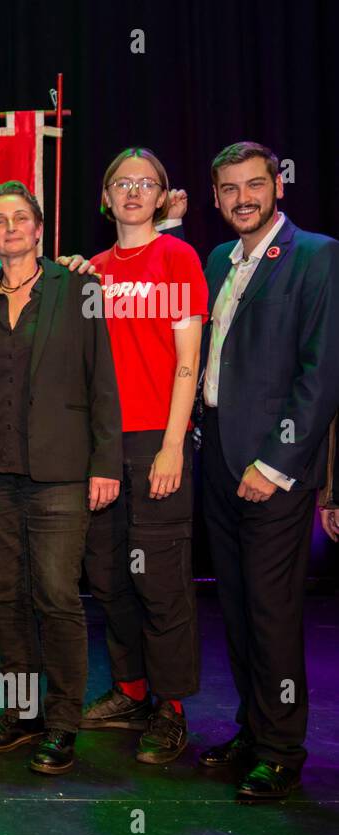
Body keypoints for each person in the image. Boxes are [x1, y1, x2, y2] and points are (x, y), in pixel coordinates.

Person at [0, 181, 122, 775]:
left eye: (21, 218)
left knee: (57, 596)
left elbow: (103, 383)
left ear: (39, 230)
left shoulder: (79, 289)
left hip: (62, 473)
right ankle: (22, 713)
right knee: (8, 598)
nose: (10, 227)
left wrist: (106, 463)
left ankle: (63, 722)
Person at [194, 142, 339, 800]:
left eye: (254, 184)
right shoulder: (222, 257)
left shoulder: (316, 255)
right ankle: (254, 730)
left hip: (271, 467)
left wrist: (277, 463)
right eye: (229, 188)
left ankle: (282, 750)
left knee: (273, 612)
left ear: (278, 184)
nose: (242, 197)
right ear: (217, 195)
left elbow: (321, 374)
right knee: (236, 605)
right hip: (219, 456)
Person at [72, 148, 209, 764]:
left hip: (159, 439)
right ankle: (129, 692)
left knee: (161, 580)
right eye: (121, 182)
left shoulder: (177, 258)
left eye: (145, 183)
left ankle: (170, 707)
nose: (132, 191)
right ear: (106, 197)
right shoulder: (90, 271)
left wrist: (174, 444)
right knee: (106, 576)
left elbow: (188, 361)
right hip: (100, 444)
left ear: (161, 197)